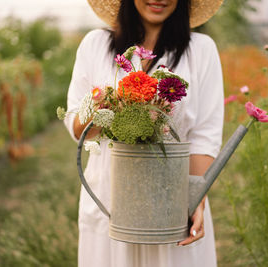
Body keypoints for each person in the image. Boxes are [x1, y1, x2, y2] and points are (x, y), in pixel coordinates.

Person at [64, 0, 224, 265]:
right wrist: (104, 104)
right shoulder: (95, 45)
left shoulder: (201, 50)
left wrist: (196, 197)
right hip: (109, 198)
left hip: (171, 200)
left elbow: (205, 135)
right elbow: (76, 127)